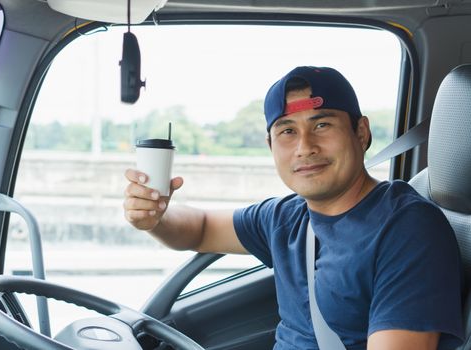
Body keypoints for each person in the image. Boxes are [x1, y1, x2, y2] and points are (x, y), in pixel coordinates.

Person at [124, 66, 464, 349]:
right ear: (271, 145)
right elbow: (198, 228)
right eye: (287, 131)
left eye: (322, 125)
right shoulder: (287, 217)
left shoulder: (408, 229)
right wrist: (155, 215)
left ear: (361, 133)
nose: (305, 147)